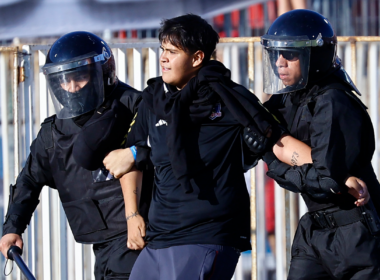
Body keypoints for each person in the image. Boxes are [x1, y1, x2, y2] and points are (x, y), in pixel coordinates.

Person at [0, 31, 145, 280]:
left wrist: (136, 154)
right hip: (102, 245)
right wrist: (13, 228)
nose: (72, 87)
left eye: (80, 77)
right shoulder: (53, 133)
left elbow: (169, 151)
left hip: (140, 238)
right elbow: (29, 180)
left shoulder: (134, 106)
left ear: (102, 72)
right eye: (64, 80)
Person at [256, 9, 380, 279]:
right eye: (276, 54)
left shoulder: (332, 101)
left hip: (354, 232)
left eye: (290, 54)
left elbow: (328, 182)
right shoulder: (293, 97)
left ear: (314, 56)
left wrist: (273, 159)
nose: (279, 63)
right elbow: (257, 129)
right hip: (313, 231)